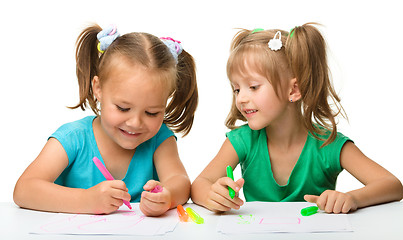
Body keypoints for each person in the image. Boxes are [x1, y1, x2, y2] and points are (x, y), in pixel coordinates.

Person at [191, 23, 403, 214]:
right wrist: (212, 195)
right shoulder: (243, 140)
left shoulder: (329, 145)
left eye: (253, 87)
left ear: (294, 90)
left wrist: (352, 198)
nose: (241, 98)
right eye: (237, 89)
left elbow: (392, 185)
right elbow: (199, 184)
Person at [13, 24, 198, 216]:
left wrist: (167, 196)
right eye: (123, 108)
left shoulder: (159, 139)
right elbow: (24, 190)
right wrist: (86, 200)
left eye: (151, 113)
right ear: (98, 88)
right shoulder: (73, 138)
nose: (135, 122)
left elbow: (181, 182)